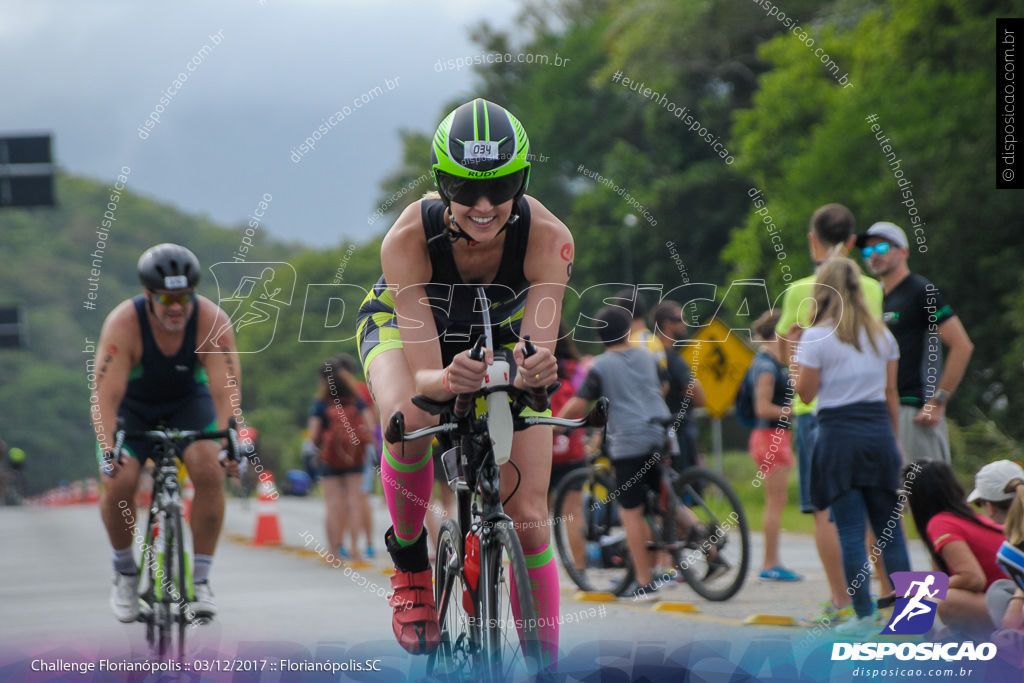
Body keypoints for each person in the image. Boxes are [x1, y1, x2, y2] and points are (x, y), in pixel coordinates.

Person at [355, 99, 569, 661]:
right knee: (413, 415)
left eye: (501, 188)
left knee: (527, 519)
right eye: (463, 188)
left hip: (491, 330)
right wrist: (447, 380)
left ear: (521, 180)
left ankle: (545, 668)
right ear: (440, 184)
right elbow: (426, 371)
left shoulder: (548, 237)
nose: (482, 205)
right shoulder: (407, 239)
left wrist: (536, 368)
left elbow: (538, 352)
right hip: (407, 329)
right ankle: (410, 566)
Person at [91, 243, 241, 622]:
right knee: (120, 480)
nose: (176, 307)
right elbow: (105, 398)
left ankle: (202, 580)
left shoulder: (212, 321)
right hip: (133, 406)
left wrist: (230, 442)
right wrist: (109, 449)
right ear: (148, 294)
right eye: (166, 298)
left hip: (188, 400)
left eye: (184, 297)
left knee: (208, 470)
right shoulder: (123, 323)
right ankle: (125, 571)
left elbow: (226, 392)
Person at [777, 203, 887, 626]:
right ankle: (892, 596)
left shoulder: (801, 290)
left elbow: (788, 346)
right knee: (877, 503)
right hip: (871, 405)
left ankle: (842, 602)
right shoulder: (871, 288)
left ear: (812, 240)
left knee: (824, 508)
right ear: (854, 242)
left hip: (816, 410)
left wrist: (794, 365)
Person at [793, 257, 911, 637]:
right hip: (878, 434)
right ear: (860, 290)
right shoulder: (882, 336)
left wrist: (795, 363)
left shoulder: (815, 338)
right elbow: (891, 393)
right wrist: (894, 443)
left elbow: (807, 395)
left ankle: (862, 618)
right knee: (891, 532)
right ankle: (914, 619)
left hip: (838, 436)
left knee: (849, 532)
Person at [558, 306, 671, 601]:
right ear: (627, 331)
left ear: (599, 336)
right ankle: (686, 556)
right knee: (659, 501)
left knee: (630, 512)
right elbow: (664, 384)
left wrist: (555, 428)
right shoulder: (647, 356)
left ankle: (645, 583)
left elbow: (579, 404)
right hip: (660, 431)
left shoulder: (600, 366)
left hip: (628, 442)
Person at [857, 221, 974, 465]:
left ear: (903, 251)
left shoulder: (921, 291)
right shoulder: (874, 298)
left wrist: (937, 401)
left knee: (927, 494)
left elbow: (962, 345)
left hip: (914, 410)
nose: (873, 256)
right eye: (867, 252)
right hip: (881, 410)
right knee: (892, 498)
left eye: (882, 248)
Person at [903, 459, 1006, 639]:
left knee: (942, 601)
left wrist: (921, 588)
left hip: (1010, 602)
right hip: (1008, 597)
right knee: (924, 592)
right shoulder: (963, 515)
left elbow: (973, 579)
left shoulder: (941, 523)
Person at [747, 310, 800, 582]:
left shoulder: (770, 362)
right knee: (775, 502)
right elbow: (762, 407)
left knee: (777, 501)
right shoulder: (766, 365)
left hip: (773, 436)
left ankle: (772, 560)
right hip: (770, 436)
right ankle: (770, 562)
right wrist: (795, 410)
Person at [308, 359, 370, 563]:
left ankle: (333, 553)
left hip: (330, 459)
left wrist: (321, 445)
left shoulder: (321, 403)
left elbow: (314, 434)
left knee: (333, 505)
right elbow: (369, 426)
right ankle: (355, 549)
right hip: (355, 457)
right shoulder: (355, 398)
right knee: (354, 502)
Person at [549, 323, 588, 570]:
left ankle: (540, 568)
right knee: (574, 513)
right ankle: (580, 571)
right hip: (573, 451)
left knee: (537, 515)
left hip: (542, 450)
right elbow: (583, 404)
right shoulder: (577, 370)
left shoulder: (534, 367)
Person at [967, 460, 1024, 630]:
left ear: (990, 507)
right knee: (1001, 588)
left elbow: (971, 578)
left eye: (979, 504)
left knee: (996, 593)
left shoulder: (1011, 552)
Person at [650, 300, 705, 472]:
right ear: (667, 323)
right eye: (681, 319)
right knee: (685, 486)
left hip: (658, 431)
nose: (685, 323)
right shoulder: (672, 359)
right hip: (679, 431)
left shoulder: (652, 354)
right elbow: (699, 396)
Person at [335, 353, 378, 559]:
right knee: (362, 497)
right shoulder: (362, 389)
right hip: (362, 447)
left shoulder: (331, 392)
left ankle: (342, 545)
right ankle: (367, 544)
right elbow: (372, 419)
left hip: (338, 452)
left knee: (342, 499)